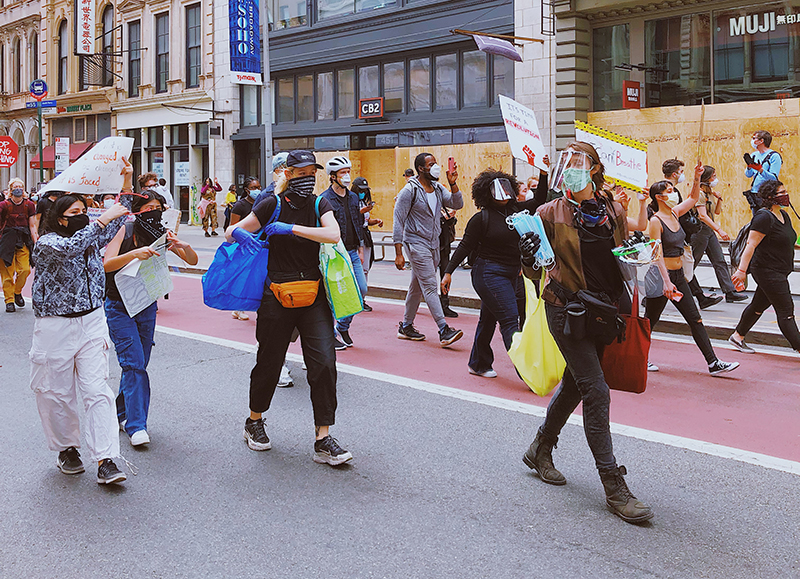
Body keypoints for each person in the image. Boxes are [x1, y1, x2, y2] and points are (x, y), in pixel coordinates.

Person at [519, 141, 653, 524]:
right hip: (566, 310)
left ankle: (540, 447)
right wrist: (529, 257)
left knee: (577, 384)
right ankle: (614, 486)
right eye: (567, 162)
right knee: (596, 389)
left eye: (578, 162)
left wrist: (641, 257)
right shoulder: (547, 212)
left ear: (594, 169)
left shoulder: (612, 208)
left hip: (604, 311)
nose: (571, 168)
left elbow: (620, 254)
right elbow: (531, 271)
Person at [225, 149, 352, 466]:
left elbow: (333, 234)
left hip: (313, 293)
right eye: (302, 172)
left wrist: (291, 229)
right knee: (269, 361)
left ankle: (323, 439)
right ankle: (254, 420)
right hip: (277, 293)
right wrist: (241, 235)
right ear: (288, 174)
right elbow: (232, 231)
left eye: (313, 173)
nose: (308, 179)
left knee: (324, 363)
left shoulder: (320, 203)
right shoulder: (271, 203)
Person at [30, 158, 134, 485]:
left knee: (97, 390)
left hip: (91, 322)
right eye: (73, 214)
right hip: (54, 327)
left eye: (83, 211)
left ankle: (106, 459)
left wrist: (126, 184)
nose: (81, 218)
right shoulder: (48, 243)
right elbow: (71, 248)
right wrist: (100, 219)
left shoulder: (91, 235)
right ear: (58, 220)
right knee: (55, 393)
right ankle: (67, 449)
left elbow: (115, 223)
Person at [103, 190, 197, 447]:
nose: (153, 211)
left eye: (158, 206)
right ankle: (137, 425)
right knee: (133, 363)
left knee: (139, 363)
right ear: (137, 210)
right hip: (119, 305)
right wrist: (135, 254)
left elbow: (192, 260)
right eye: (148, 207)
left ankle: (117, 413)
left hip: (146, 305)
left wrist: (183, 246)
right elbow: (107, 263)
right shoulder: (126, 229)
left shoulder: (163, 234)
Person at [441, 170, 548, 378]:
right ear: (486, 193)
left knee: (488, 319)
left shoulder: (517, 210)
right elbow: (464, 246)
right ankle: (527, 372)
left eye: (506, 189)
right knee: (510, 320)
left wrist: (543, 173)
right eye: (497, 190)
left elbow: (540, 199)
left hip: (513, 273)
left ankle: (478, 363)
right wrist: (448, 272)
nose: (503, 194)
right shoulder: (481, 219)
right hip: (489, 273)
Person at [644, 168, 740, 376]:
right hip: (661, 278)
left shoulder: (675, 213)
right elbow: (656, 254)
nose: (672, 192)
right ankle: (639, 359)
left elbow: (693, 197)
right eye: (668, 190)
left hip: (678, 277)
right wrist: (666, 282)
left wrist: (697, 177)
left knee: (695, 319)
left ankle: (713, 363)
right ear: (659, 197)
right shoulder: (655, 221)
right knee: (649, 321)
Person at [393, 152, 464, 346]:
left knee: (417, 286)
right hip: (415, 243)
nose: (435, 167)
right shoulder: (410, 191)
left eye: (436, 163)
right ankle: (444, 329)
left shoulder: (438, 188)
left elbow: (458, 203)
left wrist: (453, 183)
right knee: (431, 286)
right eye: (431, 164)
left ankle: (406, 326)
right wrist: (398, 252)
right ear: (421, 169)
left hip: (433, 244)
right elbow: (398, 220)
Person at [730, 180, 800, 354]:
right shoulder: (763, 217)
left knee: (758, 305)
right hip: (768, 271)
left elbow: (786, 240)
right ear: (770, 197)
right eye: (781, 192)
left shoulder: (784, 215)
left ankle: (738, 336)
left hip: (780, 270)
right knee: (786, 311)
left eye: (785, 191)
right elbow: (750, 245)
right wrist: (741, 271)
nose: (785, 195)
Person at [321, 156, 369, 349]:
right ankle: (331, 334)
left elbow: (357, 223)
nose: (347, 176)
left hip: (352, 251)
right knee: (335, 295)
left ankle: (343, 326)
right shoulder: (324, 199)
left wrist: (360, 247)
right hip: (335, 253)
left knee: (361, 290)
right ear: (332, 176)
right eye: (343, 172)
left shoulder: (353, 197)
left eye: (348, 171)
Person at [662, 158, 722, 310]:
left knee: (684, 266)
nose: (683, 175)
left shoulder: (674, 191)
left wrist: (697, 177)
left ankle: (700, 298)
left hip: (677, 234)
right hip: (671, 235)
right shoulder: (667, 191)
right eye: (681, 172)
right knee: (678, 267)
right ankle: (699, 298)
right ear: (675, 174)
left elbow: (692, 199)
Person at [687, 166, 747, 304]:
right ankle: (673, 289)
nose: (715, 178)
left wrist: (719, 199)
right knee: (691, 264)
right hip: (700, 231)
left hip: (709, 231)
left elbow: (716, 212)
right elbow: (702, 215)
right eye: (713, 176)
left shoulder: (709, 194)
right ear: (706, 178)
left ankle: (730, 291)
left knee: (719, 261)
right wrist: (719, 230)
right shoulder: (700, 194)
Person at [0, 180, 37, 312]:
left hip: (23, 239)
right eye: (15, 187)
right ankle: (9, 300)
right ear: (10, 189)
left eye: (20, 186)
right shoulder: (4, 205)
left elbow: (33, 225)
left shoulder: (29, 205)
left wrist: (36, 242)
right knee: (7, 273)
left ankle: (17, 292)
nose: (18, 189)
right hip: (6, 241)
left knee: (25, 270)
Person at [228, 177, 259, 323]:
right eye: (253, 188)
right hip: (243, 245)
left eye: (258, 187)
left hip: (259, 244)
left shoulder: (262, 203)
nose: (257, 190)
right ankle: (238, 308)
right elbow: (232, 227)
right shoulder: (240, 206)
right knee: (243, 277)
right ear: (247, 190)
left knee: (257, 277)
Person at [351, 176, 382, 312]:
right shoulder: (351, 202)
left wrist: (375, 221)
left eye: (365, 190)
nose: (363, 192)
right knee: (359, 269)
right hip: (356, 236)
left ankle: (361, 298)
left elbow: (365, 221)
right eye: (361, 190)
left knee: (366, 268)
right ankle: (358, 299)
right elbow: (351, 218)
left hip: (365, 234)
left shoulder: (363, 202)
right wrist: (361, 212)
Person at [744, 130, 782, 216]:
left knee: (767, 219)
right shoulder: (754, 155)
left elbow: (773, 178)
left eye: (754, 138)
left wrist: (760, 170)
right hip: (754, 193)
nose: (752, 141)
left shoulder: (774, 156)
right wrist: (749, 167)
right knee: (757, 220)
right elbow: (748, 175)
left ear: (761, 141)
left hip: (766, 195)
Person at [438, 206, 459, 318]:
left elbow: (452, 222)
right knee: (422, 279)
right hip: (430, 247)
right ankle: (414, 303)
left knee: (445, 275)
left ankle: (445, 305)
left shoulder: (442, 204)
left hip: (444, 246)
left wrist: (449, 218)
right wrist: (443, 218)